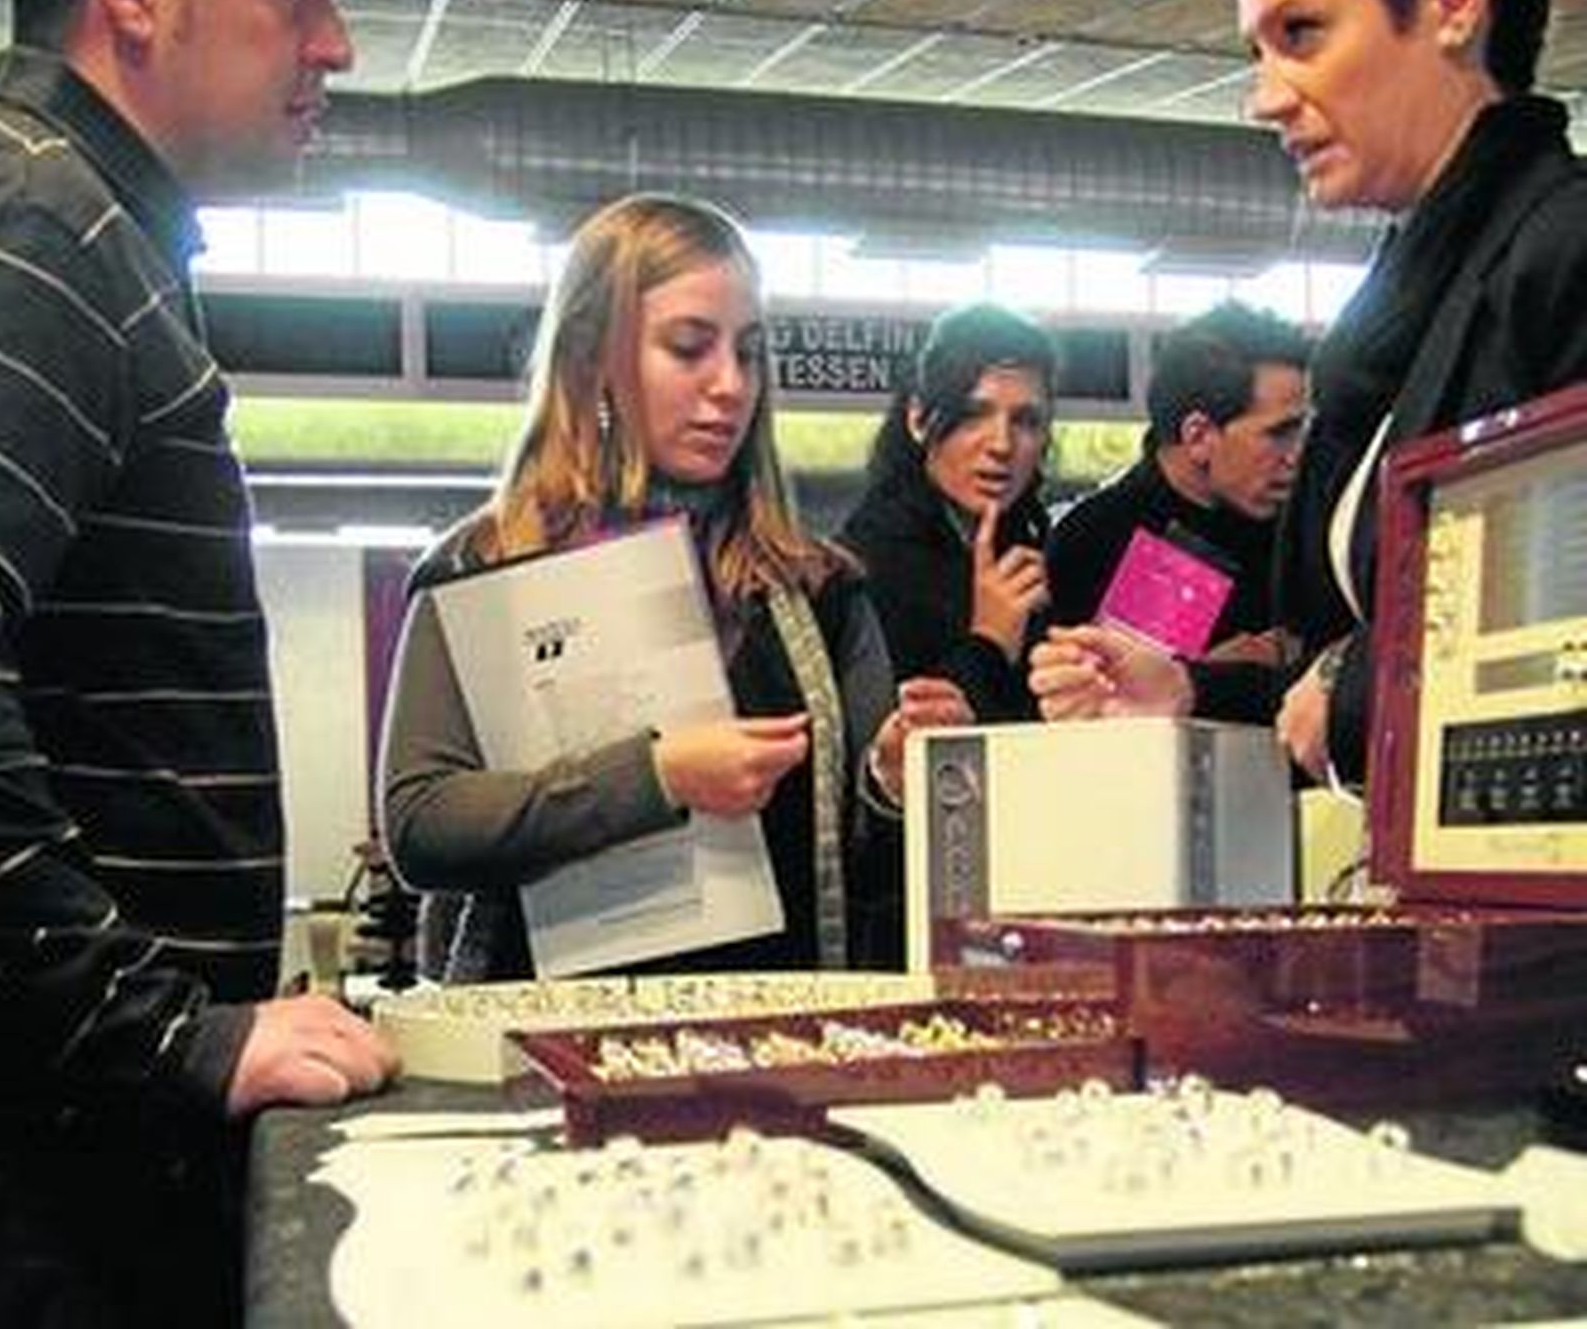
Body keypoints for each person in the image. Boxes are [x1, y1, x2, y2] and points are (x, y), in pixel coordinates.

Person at [0, 0, 398, 1325]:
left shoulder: (86, 228)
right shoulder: (46, 230)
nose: (335, 45)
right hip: (52, 1181)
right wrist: (166, 1033)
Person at [1030, 0, 1587, 792]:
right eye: (1258, 50)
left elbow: (1544, 647)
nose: (1266, 96)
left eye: (1302, 33)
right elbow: (1344, 666)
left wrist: (1351, 695)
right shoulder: (1412, 307)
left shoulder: (1560, 254)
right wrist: (1191, 690)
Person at [379, 193, 968, 980]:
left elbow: (863, 867)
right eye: (690, 348)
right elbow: (421, 824)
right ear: (592, 357)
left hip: (768, 1046)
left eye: (750, 353)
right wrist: (656, 776)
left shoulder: (818, 590)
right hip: (537, 1055)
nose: (730, 385)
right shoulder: (487, 567)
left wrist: (895, 781)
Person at [1042, 301, 1310, 719]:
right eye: (1278, 435)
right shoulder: (1097, 539)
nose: (1296, 457)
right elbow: (1088, 716)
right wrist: (1205, 678)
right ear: (1199, 435)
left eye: (1300, 433)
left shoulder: (1299, 529)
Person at [838, 303, 1055, 722]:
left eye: (1026, 421)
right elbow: (889, 750)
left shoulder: (1037, 556)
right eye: (974, 414)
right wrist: (989, 642)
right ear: (919, 419)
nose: (1002, 444)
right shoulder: (863, 567)